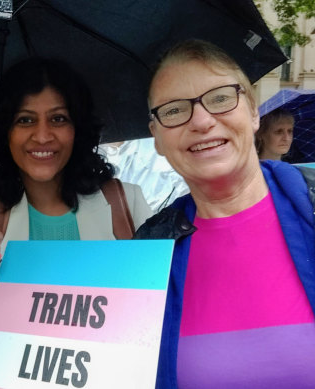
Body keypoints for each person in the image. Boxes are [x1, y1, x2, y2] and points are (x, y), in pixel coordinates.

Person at [137, 39, 315, 388]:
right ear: (156, 137)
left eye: (220, 98)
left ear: (252, 112)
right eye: (173, 109)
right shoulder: (148, 251)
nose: (202, 121)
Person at [0, 57, 152, 351]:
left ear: (78, 128)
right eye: (25, 119)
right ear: (5, 131)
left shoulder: (127, 202)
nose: (42, 136)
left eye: (58, 118)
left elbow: (151, 323)